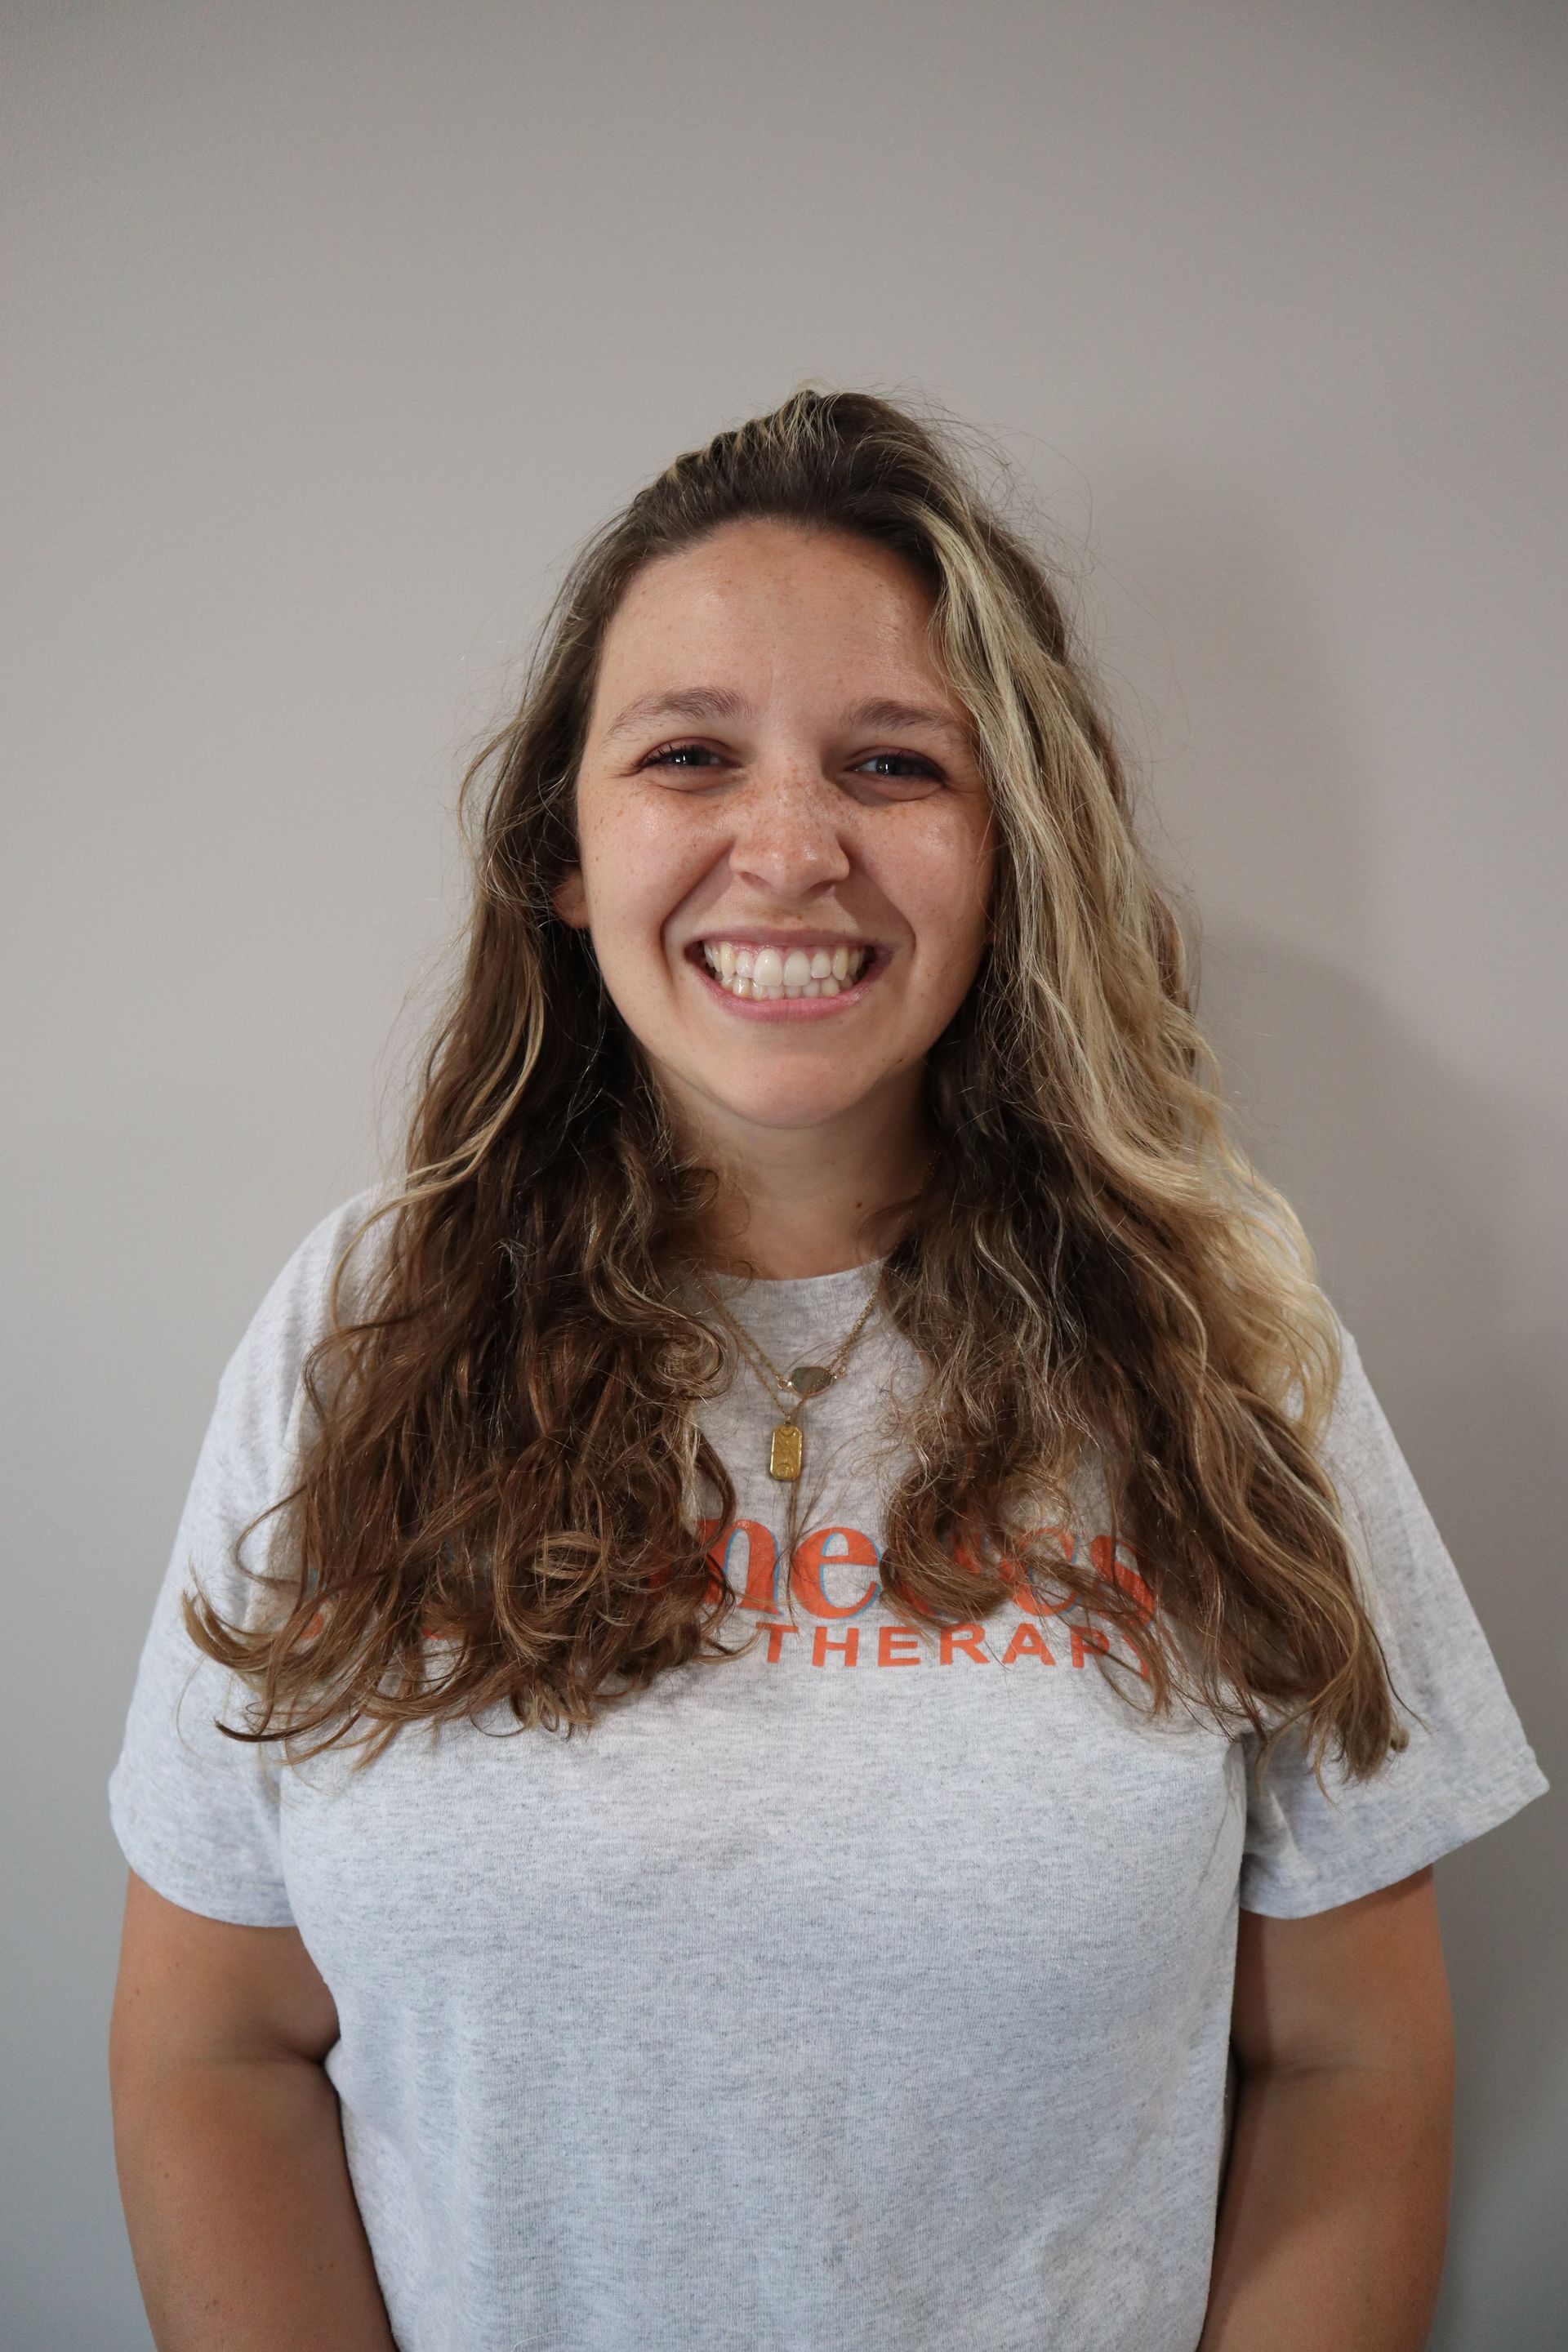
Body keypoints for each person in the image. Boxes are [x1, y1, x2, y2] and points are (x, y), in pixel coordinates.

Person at [107, 387, 1547, 2352]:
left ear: (1008, 850)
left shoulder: (1228, 1348)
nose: (790, 849)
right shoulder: (354, 1336)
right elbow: (217, 2044)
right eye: (689, 753)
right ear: (562, 850)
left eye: (893, 765)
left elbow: (1357, 2072)